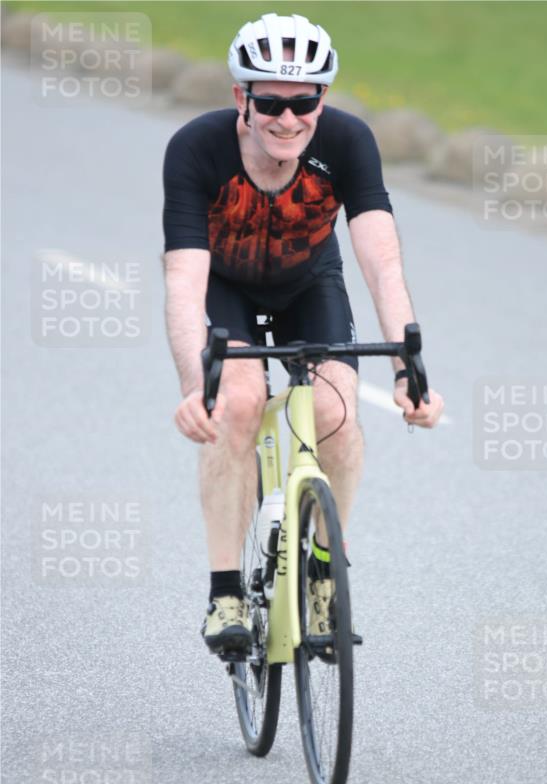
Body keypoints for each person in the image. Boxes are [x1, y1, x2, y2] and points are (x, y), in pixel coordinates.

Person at [162, 12, 444, 656]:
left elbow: (381, 260)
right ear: (242, 97)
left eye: (304, 102)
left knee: (335, 413)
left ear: (323, 98)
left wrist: (410, 372)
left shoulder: (348, 142)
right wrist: (193, 387)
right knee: (234, 406)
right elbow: (183, 280)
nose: (287, 120)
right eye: (270, 102)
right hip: (225, 286)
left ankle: (322, 568)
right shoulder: (196, 148)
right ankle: (226, 589)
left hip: (309, 284)